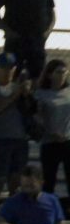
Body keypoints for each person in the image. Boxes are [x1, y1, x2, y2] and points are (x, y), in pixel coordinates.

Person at [0, 54, 35, 216]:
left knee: (16, 182)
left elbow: (33, 111)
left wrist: (27, 95)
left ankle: (14, 216)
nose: (7, 72)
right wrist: (14, 95)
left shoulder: (20, 88)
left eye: (10, 68)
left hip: (19, 140)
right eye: (3, 68)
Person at [0, 161, 70, 224]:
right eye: (25, 186)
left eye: (31, 186)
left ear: (41, 182)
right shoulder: (13, 201)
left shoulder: (52, 200)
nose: (27, 189)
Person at [36, 58, 70, 196]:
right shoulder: (41, 94)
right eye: (58, 72)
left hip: (68, 140)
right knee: (49, 180)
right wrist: (50, 132)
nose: (62, 75)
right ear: (50, 74)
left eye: (64, 72)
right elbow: (38, 118)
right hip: (50, 141)